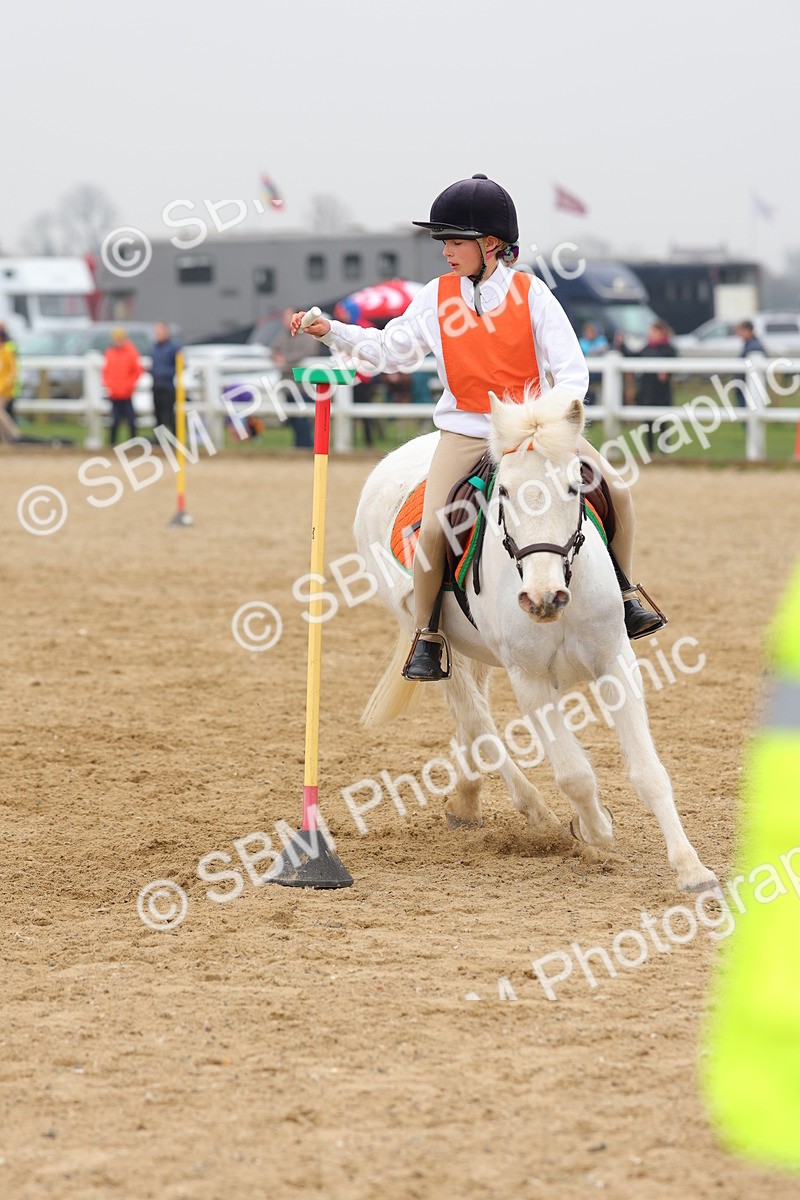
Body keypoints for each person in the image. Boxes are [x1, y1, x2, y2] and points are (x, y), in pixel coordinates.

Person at [292, 174, 666, 680]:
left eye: (454, 242)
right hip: (467, 430)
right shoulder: (435, 297)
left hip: (537, 428)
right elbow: (387, 351)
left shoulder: (533, 294)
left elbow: (572, 372)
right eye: (443, 241)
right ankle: (427, 635)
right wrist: (330, 331)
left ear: (490, 245)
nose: (445, 251)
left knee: (617, 491)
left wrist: (545, 421)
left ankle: (624, 594)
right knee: (430, 531)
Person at [615, 319, 676, 452]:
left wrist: (666, 371)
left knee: (662, 424)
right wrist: (622, 345)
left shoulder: (668, 349)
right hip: (647, 392)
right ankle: (650, 452)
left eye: (653, 331)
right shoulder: (648, 347)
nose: (650, 334)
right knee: (647, 425)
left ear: (661, 332)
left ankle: (664, 453)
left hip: (661, 393)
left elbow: (672, 367)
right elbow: (633, 355)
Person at [271, 306, 321, 448]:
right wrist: (277, 357)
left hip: (303, 386)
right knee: (294, 420)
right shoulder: (283, 335)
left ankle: (306, 447)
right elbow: (273, 350)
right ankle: (300, 448)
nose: (284, 320)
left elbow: (309, 351)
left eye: (287, 317)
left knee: (303, 420)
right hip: (288, 385)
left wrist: (285, 359)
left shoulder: (307, 333)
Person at [102, 327, 142, 445]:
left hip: (127, 393)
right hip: (114, 393)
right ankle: (112, 444)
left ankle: (133, 444)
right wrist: (110, 385)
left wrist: (128, 385)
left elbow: (137, 371)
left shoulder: (131, 352)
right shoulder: (110, 353)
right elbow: (106, 372)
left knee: (131, 420)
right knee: (114, 421)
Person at [150, 322, 182, 434]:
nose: (158, 334)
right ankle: (160, 439)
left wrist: (164, 373)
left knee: (169, 414)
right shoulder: (155, 347)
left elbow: (180, 365)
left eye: (160, 331)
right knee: (157, 415)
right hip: (156, 385)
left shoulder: (173, 348)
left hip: (168, 386)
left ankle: (175, 437)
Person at [733, 320, 766, 407]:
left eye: (740, 331)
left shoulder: (753, 347)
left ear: (747, 330)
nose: (738, 334)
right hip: (746, 385)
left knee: (748, 412)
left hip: (747, 386)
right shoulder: (750, 344)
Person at [579, 321, 608, 405]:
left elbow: (604, 348)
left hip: (599, 375)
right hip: (586, 375)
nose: (590, 333)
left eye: (592, 331)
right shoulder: (582, 342)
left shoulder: (601, 340)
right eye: (588, 331)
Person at [0, 324, 20, 444]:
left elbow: (11, 373)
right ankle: (6, 440)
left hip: (5, 391)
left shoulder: (8, 350)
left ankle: (14, 435)